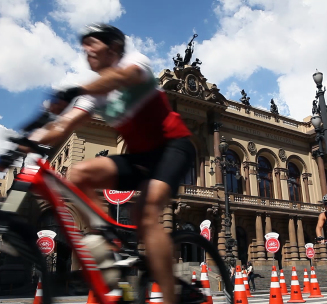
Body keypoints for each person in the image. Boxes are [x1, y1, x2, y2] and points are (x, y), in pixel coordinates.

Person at [12, 23, 194, 304]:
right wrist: (24, 142)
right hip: (140, 158)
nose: (86, 50)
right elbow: (63, 127)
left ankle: (170, 297)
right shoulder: (92, 95)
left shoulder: (135, 63)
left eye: (92, 43)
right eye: (83, 45)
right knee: (79, 173)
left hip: (173, 146)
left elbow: (124, 77)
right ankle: (105, 244)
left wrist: (73, 90)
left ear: (114, 48)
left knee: (145, 215)